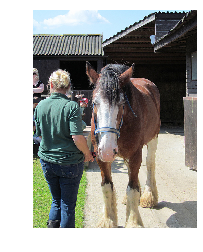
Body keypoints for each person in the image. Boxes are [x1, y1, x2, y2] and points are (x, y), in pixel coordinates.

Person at [34, 69, 94, 228]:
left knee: (56, 200)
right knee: (67, 204)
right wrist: (87, 153)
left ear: (51, 85)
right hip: (70, 163)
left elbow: (39, 135)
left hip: (47, 161)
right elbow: (77, 137)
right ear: (68, 87)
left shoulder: (40, 106)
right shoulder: (71, 106)